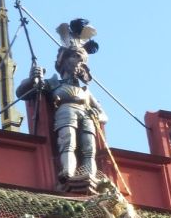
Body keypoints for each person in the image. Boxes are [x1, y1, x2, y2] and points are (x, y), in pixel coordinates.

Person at [17, 46, 107, 182]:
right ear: (63, 61)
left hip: (87, 115)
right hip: (66, 112)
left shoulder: (85, 91)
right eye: (75, 56)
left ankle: (90, 176)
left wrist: (96, 114)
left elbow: (103, 115)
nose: (79, 62)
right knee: (67, 141)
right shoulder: (54, 84)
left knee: (89, 148)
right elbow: (22, 92)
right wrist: (32, 79)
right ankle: (68, 171)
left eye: (82, 60)